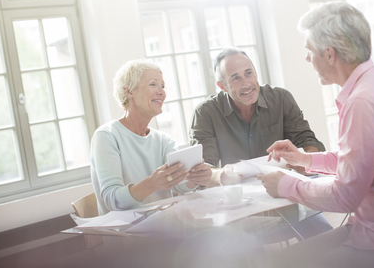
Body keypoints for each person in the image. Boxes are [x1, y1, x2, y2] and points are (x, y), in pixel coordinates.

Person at [258, 1, 374, 268]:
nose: (306, 58)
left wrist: (284, 186)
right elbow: (360, 162)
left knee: (282, 263)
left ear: (330, 54)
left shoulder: (363, 101)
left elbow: (345, 196)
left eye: (309, 51)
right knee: (287, 259)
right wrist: (305, 160)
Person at [90, 59, 212, 215]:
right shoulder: (106, 136)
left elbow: (179, 185)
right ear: (129, 91)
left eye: (163, 86)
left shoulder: (163, 140)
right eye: (153, 84)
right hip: (126, 232)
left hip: (163, 225)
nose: (161, 92)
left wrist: (195, 179)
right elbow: (113, 201)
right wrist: (153, 183)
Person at [190, 47, 325, 186]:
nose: (246, 84)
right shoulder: (205, 113)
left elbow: (308, 142)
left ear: (256, 73)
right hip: (235, 196)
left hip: (281, 190)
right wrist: (221, 176)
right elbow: (203, 169)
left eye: (249, 73)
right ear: (222, 86)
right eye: (235, 78)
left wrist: (306, 160)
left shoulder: (281, 99)